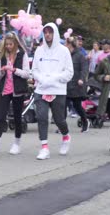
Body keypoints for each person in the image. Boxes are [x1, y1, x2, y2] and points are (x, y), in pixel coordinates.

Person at [32, 23, 74, 160]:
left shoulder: (64, 51)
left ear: (55, 33)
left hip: (58, 90)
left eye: (50, 32)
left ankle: (66, 136)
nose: (48, 34)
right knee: (42, 117)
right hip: (42, 89)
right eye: (46, 32)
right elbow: (35, 70)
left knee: (58, 119)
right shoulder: (39, 50)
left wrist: (55, 79)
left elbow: (69, 72)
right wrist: (41, 79)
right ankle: (44, 147)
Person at [0, 31, 30, 156]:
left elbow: (27, 74)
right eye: (7, 44)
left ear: (16, 44)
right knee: (1, 116)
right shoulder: (2, 56)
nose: (8, 47)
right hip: (5, 90)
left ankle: (16, 143)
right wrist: (1, 72)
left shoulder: (22, 55)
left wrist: (14, 69)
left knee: (17, 117)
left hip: (18, 90)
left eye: (11, 44)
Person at [65, 36, 89, 132]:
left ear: (71, 45)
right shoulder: (65, 55)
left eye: (66, 44)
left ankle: (85, 121)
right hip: (66, 85)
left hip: (76, 85)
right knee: (63, 106)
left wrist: (81, 79)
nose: (65, 46)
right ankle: (62, 127)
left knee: (77, 106)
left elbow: (84, 69)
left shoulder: (80, 56)